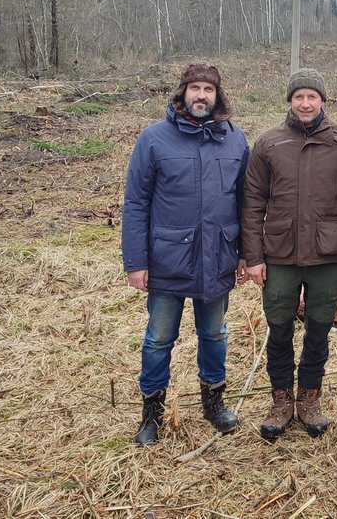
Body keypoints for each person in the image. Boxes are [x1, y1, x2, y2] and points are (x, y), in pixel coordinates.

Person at [122, 62, 250, 446]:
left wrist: (245, 252)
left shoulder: (235, 140)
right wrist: (136, 261)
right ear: (182, 93)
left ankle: (214, 403)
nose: (201, 96)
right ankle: (152, 413)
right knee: (159, 338)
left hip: (217, 256)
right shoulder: (154, 139)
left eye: (208, 90)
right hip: (167, 259)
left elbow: (247, 202)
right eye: (194, 88)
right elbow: (135, 203)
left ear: (218, 96)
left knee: (214, 333)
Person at [241, 68, 337, 439]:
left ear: (322, 101)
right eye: (298, 96)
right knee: (279, 329)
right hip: (279, 254)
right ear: (289, 101)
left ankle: (310, 397)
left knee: (319, 331)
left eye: (311, 96)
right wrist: (253, 257)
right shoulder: (269, 143)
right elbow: (252, 203)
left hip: (326, 255)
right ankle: (281, 399)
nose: (305, 103)